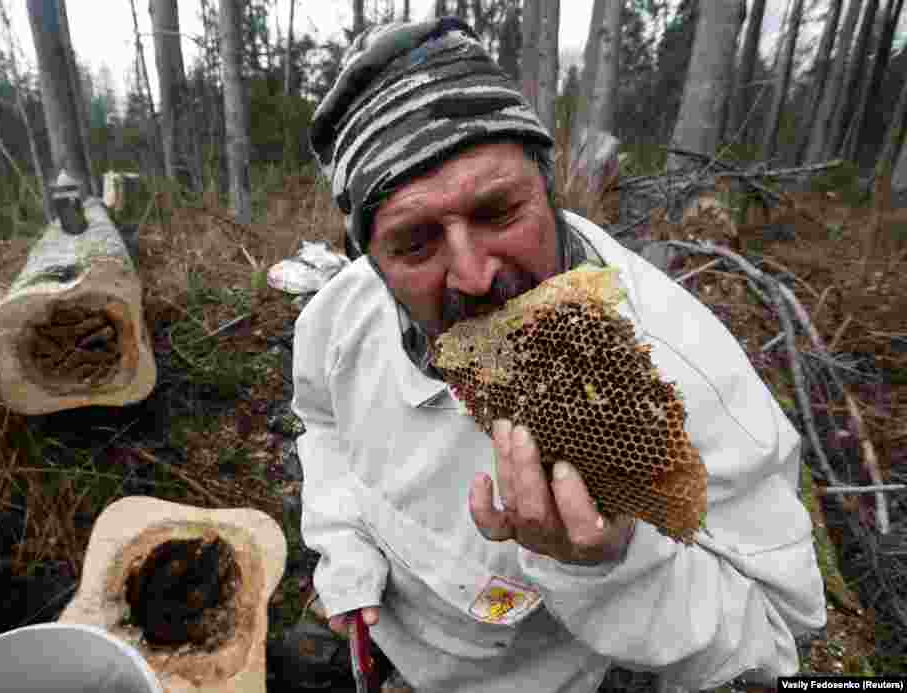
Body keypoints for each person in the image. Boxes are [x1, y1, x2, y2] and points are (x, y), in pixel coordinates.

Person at [292, 16, 826, 693]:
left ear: (551, 190)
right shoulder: (340, 320)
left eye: (498, 212)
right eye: (416, 241)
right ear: (369, 257)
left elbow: (779, 632)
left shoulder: (674, 368)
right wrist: (344, 546)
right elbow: (323, 423)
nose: (475, 274)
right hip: (390, 650)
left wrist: (611, 566)